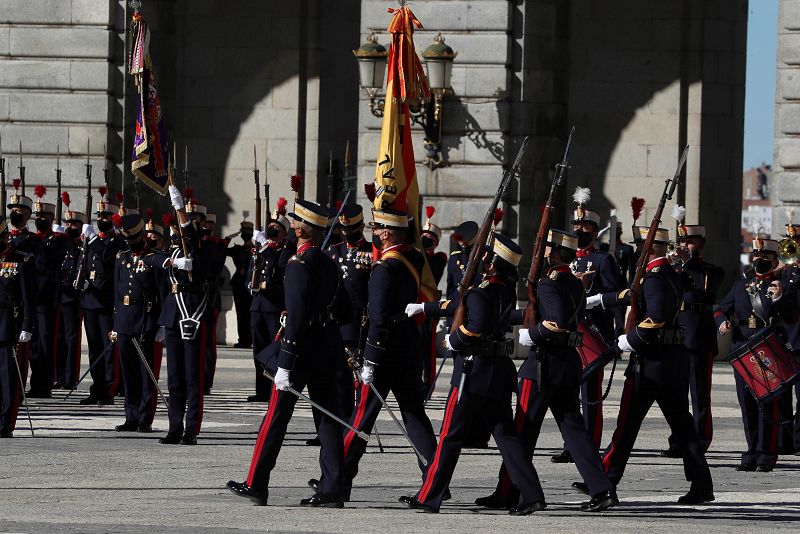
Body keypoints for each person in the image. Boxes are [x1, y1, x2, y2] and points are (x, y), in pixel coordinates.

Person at [474, 229, 616, 512]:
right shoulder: (573, 282)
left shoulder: (549, 283)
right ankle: (602, 489)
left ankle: (514, 492)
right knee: (574, 429)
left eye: (547, 248)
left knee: (522, 431)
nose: (544, 253)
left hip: (543, 367)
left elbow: (558, 321)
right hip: (567, 363)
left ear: (554, 253)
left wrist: (533, 334)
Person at [403, 233, 546, 515]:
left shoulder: (481, 291)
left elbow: (476, 326)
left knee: (449, 436)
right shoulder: (502, 289)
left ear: (492, 265)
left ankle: (430, 495)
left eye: (486, 256)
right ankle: (531, 494)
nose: (480, 259)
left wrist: (453, 341)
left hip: (473, 371)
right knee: (506, 436)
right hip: (496, 371)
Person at [308, 208, 437, 501]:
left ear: (388, 233)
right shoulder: (414, 258)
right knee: (414, 415)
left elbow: (378, 317)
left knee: (360, 419)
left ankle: (335, 483)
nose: (374, 232)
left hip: (385, 351)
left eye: (378, 228)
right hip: (407, 346)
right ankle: (435, 481)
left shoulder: (384, 268)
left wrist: (371, 358)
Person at [580, 227, 714, 504]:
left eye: (641, 245)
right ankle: (702, 484)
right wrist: (596, 300)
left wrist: (625, 342)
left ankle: (605, 482)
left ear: (650, 248)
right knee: (683, 427)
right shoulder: (668, 273)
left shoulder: (654, 278)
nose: (639, 249)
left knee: (627, 424)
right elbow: (631, 295)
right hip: (671, 362)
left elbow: (655, 319)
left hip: (651, 363)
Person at [227, 199, 347, 507]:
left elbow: (295, 317)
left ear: (299, 229)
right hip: (325, 348)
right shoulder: (329, 263)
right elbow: (346, 309)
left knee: (275, 419)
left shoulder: (299, 264)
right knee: (327, 419)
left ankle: (257, 483)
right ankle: (333, 487)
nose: (291, 227)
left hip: (300, 351)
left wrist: (285, 363)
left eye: (293, 224)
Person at [553, 188, 625, 463]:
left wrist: (615, 330)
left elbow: (616, 295)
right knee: (568, 393)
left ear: (595, 230)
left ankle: (590, 443)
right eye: (576, 225)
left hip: (592, 334)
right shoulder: (565, 259)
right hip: (566, 333)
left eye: (584, 226)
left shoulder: (603, 260)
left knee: (589, 395)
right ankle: (571, 443)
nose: (579, 230)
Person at [714, 237, 796, 471]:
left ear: (774, 260)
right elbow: (721, 308)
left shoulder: (783, 285)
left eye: (765, 257)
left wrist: (780, 297)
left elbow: (791, 317)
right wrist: (721, 322)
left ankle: (766, 454)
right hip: (742, 350)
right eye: (756, 256)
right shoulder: (742, 285)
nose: (759, 260)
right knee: (747, 404)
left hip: (768, 350)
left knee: (768, 405)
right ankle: (751, 450)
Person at [661, 221, 724, 457]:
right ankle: (679, 439)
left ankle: (700, 439)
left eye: (689, 241)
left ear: (701, 244)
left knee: (699, 394)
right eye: (682, 241)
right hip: (676, 336)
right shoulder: (674, 269)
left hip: (698, 336)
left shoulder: (710, 270)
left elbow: (706, 292)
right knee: (675, 394)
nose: (684, 245)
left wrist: (685, 263)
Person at [152, 186, 206, 445]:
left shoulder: (198, 249)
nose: (177, 232)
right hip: (173, 314)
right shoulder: (173, 253)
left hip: (191, 314)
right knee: (174, 377)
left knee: (192, 376)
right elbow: (150, 257)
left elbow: (191, 237)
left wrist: (181, 208)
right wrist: (170, 262)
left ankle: (191, 429)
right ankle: (174, 426)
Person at [110, 213, 162, 433]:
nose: (130, 243)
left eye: (134, 239)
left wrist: (160, 324)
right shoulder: (122, 258)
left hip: (145, 320)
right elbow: (116, 292)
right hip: (124, 321)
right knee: (128, 372)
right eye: (127, 240)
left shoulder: (154, 258)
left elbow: (161, 293)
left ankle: (144, 417)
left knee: (145, 372)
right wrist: (115, 323)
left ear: (142, 235)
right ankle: (130, 415)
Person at [79, 187, 125, 406]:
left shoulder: (118, 243)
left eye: (106, 216)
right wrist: (83, 280)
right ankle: (96, 387)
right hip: (90, 300)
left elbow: (108, 261)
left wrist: (94, 240)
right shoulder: (91, 241)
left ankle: (108, 388)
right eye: (100, 216)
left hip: (107, 302)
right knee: (94, 347)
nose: (102, 220)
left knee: (109, 349)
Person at [246, 203, 292, 402]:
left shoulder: (284, 253)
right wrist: (251, 284)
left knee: (273, 351)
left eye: (277, 228)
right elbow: (250, 275)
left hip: (274, 308)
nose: (272, 230)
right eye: (270, 226)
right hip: (258, 307)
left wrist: (265, 248)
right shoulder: (260, 251)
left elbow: (277, 275)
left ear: (284, 234)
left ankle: (274, 390)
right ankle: (261, 391)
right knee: (258, 350)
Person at [27, 186, 68, 398]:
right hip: (30, 298)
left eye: (44, 215)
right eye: (38, 215)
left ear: (52, 217)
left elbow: (49, 262)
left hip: (47, 299)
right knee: (32, 343)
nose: (40, 218)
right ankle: (35, 383)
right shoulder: (33, 239)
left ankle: (44, 384)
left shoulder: (58, 241)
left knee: (44, 342)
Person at [0, 217, 36, 438]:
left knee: (8, 381)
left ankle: (6, 424)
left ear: (5, 236)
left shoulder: (21, 261)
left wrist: (26, 324)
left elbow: (28, 298)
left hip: (9, 327)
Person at [56, 196, 86, 390]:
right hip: (58, 294)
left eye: (74, 223)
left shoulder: (81, 246)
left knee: (70, 336)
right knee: (58, 338)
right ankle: (59, 375)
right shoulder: (62, 243)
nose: (69, 226)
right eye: (68, 222)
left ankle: (69, 377)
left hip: (72, 296)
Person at [420, 206, 447, 395]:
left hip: (428, 308)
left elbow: (432, 270)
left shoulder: (439, 257)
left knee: (427, 351)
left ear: (436, 243)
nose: (425, 240)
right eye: (423, 237)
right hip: (412, 306)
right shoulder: (415, 254)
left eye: (430, 239)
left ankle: (428, 384)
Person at [227, 219, 255, 349]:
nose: (246, 234)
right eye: (244, 232)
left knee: (251, 314)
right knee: (240, 313)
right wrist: (232, 236)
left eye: (248, 231)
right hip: (238, 284)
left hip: (251, 285)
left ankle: (251, 339)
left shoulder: (256, 250)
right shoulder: (237, 249)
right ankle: (243, 339)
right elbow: (223, 248)